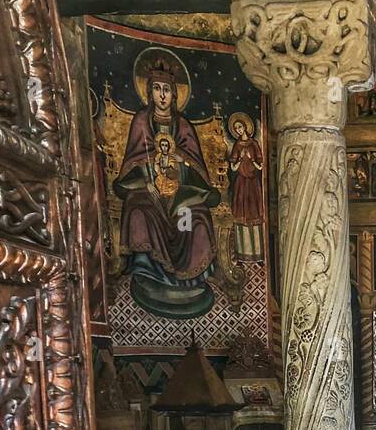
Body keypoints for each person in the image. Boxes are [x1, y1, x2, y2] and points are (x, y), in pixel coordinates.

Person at [113, 54, 220, 316]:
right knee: (138, 211)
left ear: (174, 94)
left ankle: (188, 281)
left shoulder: (182, 125)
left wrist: (181, 161)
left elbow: (195, 164)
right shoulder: (141, 122)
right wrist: (147, 181)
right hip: (148, 191)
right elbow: (133, 160)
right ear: (149, 92)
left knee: (193, 218)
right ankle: (149, 276)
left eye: (167, 90)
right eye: (157, 89)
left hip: (180, 194)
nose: (162, 96)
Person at [226, 112, 264, 261]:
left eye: (240, 127)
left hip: (253, 183)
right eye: (236, 129)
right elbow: (233, 168)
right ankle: (242, 254)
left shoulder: (254, 144)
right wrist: (239, 159)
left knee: (255, 216)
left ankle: (258, 254)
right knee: (241, 217)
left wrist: (251, 159)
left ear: (245, 127)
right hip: (241, 184)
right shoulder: (236, 145)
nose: (239, 130)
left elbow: (260, 167)